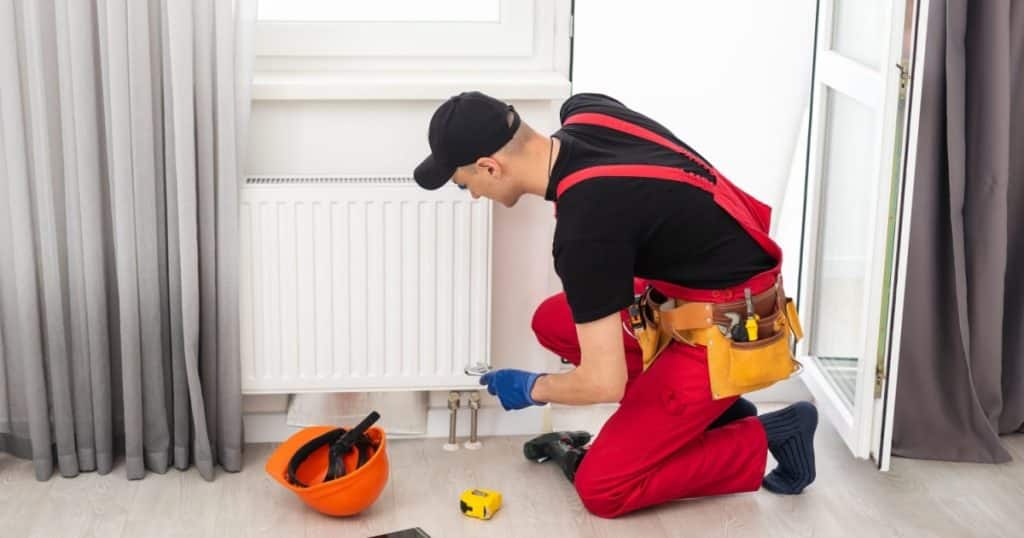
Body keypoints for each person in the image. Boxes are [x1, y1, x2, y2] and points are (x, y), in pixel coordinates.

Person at [413, 91, 818, 518]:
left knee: (603, 487)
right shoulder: (587, 111)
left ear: (489, 167)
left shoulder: (584, 232)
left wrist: (532, 388)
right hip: (683, 293)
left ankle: (775, 432)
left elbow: (604, 383)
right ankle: (713, 413)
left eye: (465, 185)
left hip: (731, 326)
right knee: (554, 321)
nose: (473, 195)